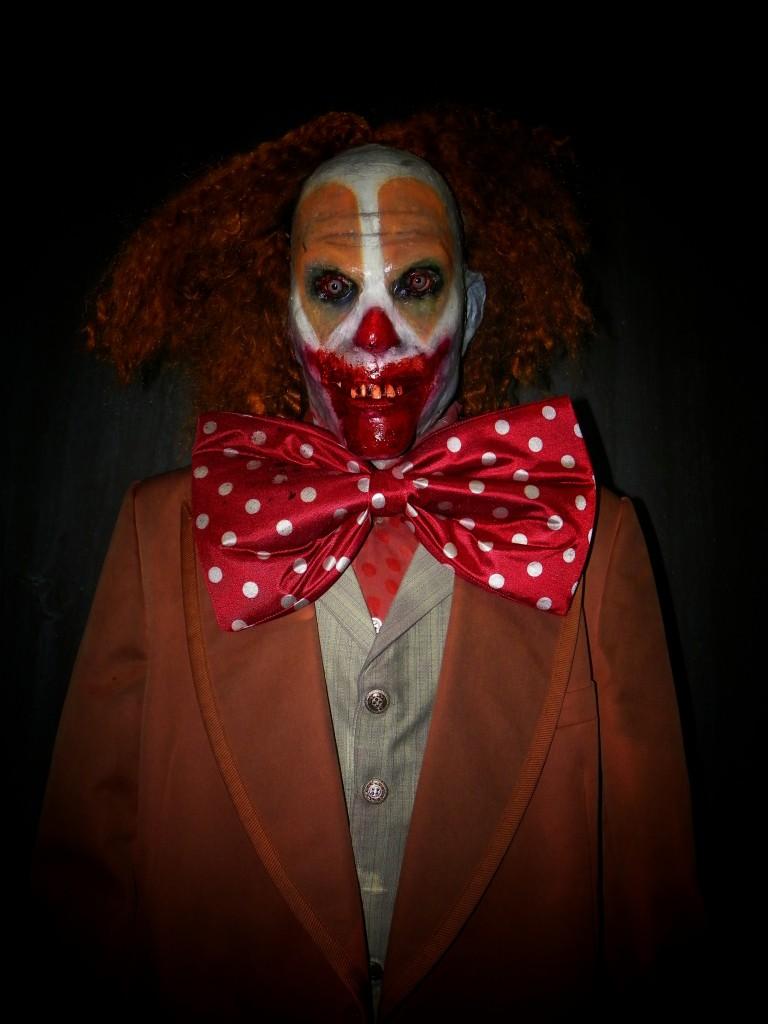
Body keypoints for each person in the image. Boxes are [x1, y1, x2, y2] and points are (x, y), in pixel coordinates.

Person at [32, 108, 705, 1021]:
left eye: (417, 285)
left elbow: (653, 911)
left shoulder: (594, 538)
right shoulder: (161, 535)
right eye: (334, 288)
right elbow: (83, 888)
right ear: (284, 312)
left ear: (473, 308)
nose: (377, 334)